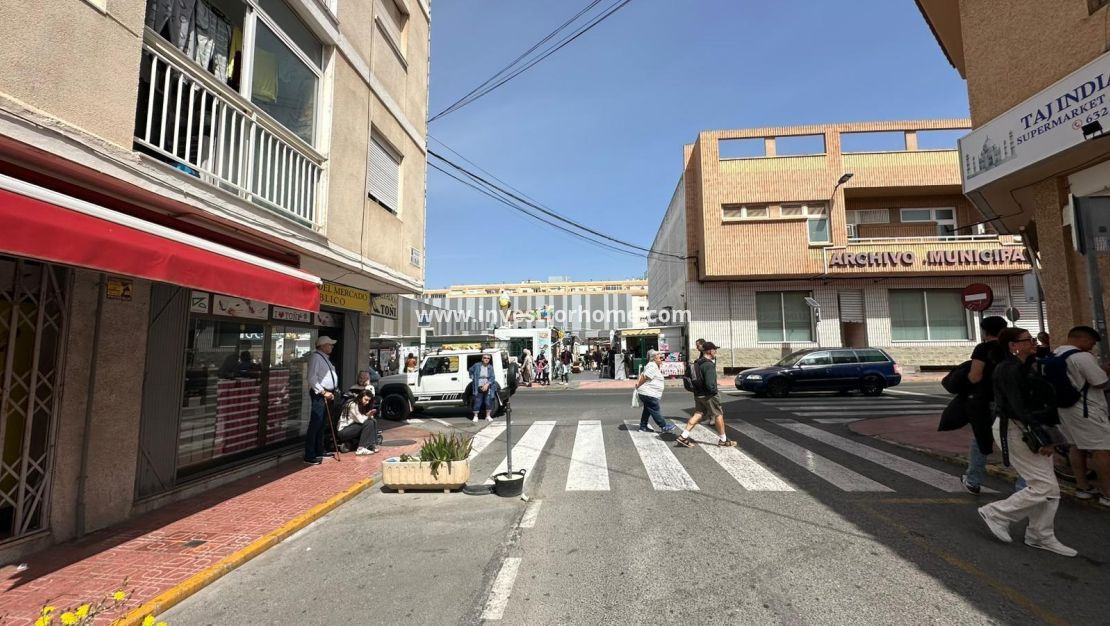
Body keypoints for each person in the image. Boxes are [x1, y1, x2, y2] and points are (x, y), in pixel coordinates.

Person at [978, 327, 1076, 557]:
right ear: (1013, 346)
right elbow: (1018, 407)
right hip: (1018, 429)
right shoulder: (1007, 369)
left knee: (1049, 487)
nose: (1033, 342)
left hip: (1031, 427)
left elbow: (1041, 402)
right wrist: (1043, 437)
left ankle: (1040, 535)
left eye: (1032, 339)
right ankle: (997, 513)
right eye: (1028, 340)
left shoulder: (1030, 365)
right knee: (1044, 486)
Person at [1054, 326, 1110, 507]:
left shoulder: (1057, 353)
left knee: (1076, 446)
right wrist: (1105, 371)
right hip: (1087, 410)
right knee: (1102, 449)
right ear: (1083, 339)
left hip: (1065, 410)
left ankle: (1083, 487)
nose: (1092, 347)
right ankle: (1108, 493)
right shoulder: (1082, 357)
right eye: (1092, 343)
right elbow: (1100, 382)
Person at [962, 316, 1009, 494]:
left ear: (984, 331)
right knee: (1016, 440)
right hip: (1011, 400)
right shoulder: (1012, 347)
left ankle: (973, 481)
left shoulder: (983, 349)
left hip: (987, 400)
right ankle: (1024, 484)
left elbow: (975, 376)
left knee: (981, 438)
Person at [675, 342, 736, 448]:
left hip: (698, 394)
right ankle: (723, 440)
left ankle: (683, 436)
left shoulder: (697, 362)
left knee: (698, 414)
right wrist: (714, 391)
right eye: (714, 350)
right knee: (718, 415)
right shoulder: (708, 365)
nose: (716, 352)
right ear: (710, 351)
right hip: (709, 395)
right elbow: (710, 383)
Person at [305, 336, 339, 465]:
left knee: (322, 423)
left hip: (327, 393)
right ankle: (309, 454)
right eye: (330, 344)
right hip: (320, 394)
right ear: (323, 346)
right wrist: (323, 392)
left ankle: (319, 450)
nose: (332, 347)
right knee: (316, 423)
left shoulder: (323, 357)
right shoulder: (316, 357)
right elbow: (311, 378)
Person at [636, 349, 675, 433]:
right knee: (655, 409)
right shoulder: (652, 366)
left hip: (648, 392)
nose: (662, 359)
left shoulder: (653, 365)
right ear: (654, 358)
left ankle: (643, 427)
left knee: (647, 410)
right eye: (660, 358)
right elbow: (645, 377)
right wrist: (638, 385)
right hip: (649, 393)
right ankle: (664, 426)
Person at [336, 390, 379, 455]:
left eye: (369, 400)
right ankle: (361, 449)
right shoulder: (352, 405)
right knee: (369, 423)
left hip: (352, 427)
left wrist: (369, 415)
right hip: (343, 431)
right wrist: (368, 415)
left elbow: (363, 418)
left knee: (373, 421)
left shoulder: (361, 405)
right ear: (360, 398)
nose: (367, 402)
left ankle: (370, 445)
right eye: (366, 400)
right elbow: (361, 420)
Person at [469, 353, 498, 422]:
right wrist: (472, 377)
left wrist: (487, 384)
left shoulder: (490, 367)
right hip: (478, 385)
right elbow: (470, 370)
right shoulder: (477, 365)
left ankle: (488, 416)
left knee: (488, 401)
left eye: (488, 358)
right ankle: (475, 416)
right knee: (477, 401)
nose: (486, 359)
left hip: (488, 386)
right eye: (485, 358)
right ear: (482, 359)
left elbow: (492, 377)